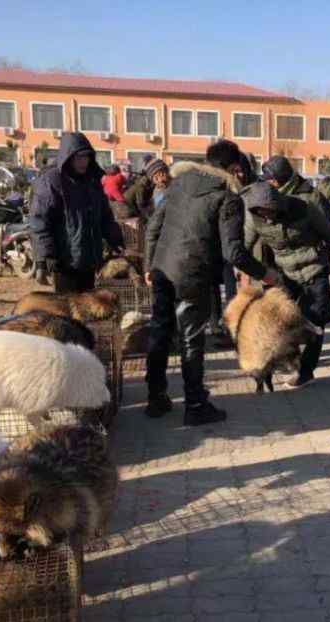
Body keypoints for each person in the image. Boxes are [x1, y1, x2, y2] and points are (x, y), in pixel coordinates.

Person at [143, 140, 280, 426]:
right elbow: (234, 252)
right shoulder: (227, 197)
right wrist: (265, 273)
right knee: (191, 339)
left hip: (162, 269)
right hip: (192, 274)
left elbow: (153, 226)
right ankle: (195, 405)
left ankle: (156, 398)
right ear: (235, 168)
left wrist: (149, 265)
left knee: (160, 330)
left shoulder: (180, 183)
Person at [244, 182, 330, 386]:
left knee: (316, 322)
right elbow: (243, 248)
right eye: (260, 212)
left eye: (269, 210)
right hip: (284, 273)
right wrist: (250, 273)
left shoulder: (305, 208)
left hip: (314, 269)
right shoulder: (254, 218)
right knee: (280, 320)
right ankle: (282, 361)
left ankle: (306, 371)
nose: (266, 216)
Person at [29, 132, 122, 293]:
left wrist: (115, 240)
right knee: (68, 307)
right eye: (79, 157)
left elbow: (105, 216)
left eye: (86, 157)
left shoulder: (92, 181)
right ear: (68, 157)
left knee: (88, 305)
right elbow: (40, 222)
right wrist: (43, 259)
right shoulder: (52, 181)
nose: (83, 161)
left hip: (90, 260)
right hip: (65, 262)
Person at [261, 155, 330, 214]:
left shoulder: (311, 197)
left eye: (269, 178)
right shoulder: (273, 194)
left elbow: (324, 224)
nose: (267, 181)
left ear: (279, 179)